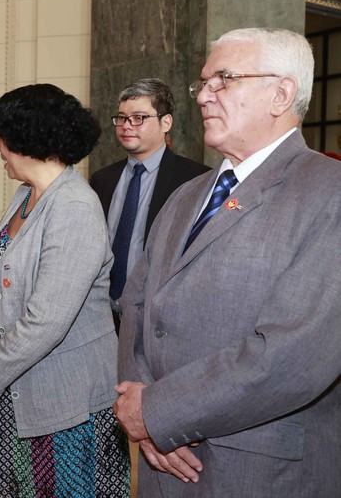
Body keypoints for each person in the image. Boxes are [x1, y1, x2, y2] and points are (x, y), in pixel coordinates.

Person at [114, 28, 341, 497]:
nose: (204, 96)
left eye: (225, 79)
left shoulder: (328, 192)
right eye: (203, 83)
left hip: (255, 470)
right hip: (162, 465)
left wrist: (159, 412)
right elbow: (136, 305)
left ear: (281, 94)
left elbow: (291, 356)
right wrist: (139, 408)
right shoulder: (187, 194)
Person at [0, 84, 131, 497]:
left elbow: (46, 321)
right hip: (20, 393)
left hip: (65, 405)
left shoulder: (73, 207)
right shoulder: (26, 196)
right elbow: (4, 276)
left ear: (29, 138)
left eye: (2, 137)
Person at [89, 78, 209, 333]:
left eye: (139, 118)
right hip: (101, 317)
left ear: (166, 122)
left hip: (158, 319)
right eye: (122, 118)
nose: (126, 126)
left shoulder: (195, 179)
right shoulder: (102, 179)